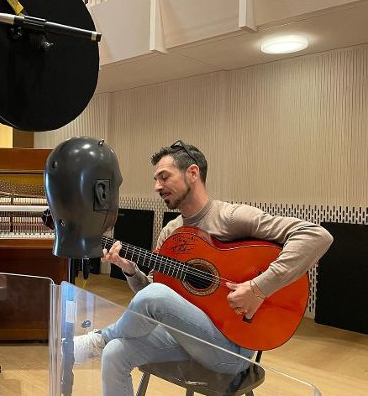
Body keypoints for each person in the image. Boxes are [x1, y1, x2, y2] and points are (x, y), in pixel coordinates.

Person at [73, 140, 333, 396]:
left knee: (148, 304)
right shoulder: (171, 232)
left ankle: (99, 339)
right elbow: (153, 299)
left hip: (232, 349)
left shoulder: (231, 217)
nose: (157, 186)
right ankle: (104, 343)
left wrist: (257, 288)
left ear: (192, 173)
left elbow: (316, 236)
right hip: (181, 338)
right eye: (156, 179)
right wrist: (129, 269)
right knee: (115, 352)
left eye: (164, 177)